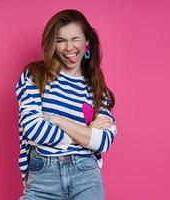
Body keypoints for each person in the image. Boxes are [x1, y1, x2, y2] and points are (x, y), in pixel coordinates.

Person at [15, 9, 117, 200]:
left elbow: (103, 141)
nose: (69, 47)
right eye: (60, 40)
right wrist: (86, 135)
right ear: (52, 45)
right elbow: (33, 129)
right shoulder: (35, 76)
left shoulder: (98, 89)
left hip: (86, 176)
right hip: (42, 179)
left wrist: (55, 119)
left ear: (87, 42)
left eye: (75, 39)